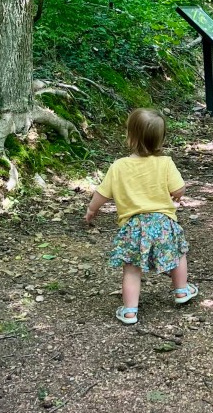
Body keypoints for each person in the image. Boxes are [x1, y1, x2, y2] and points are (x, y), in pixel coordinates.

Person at [84, 108, 197, 324]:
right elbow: (179, 188)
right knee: (178, 254)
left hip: (134, 227)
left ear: (130, 136)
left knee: (132, 268)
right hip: (163, 223)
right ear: (161, 139)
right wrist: (176, 196)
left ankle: (129, 311)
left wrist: (92, 209)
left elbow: (102, 194)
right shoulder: (165, 163)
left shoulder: (119, 167)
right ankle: (181, 290)